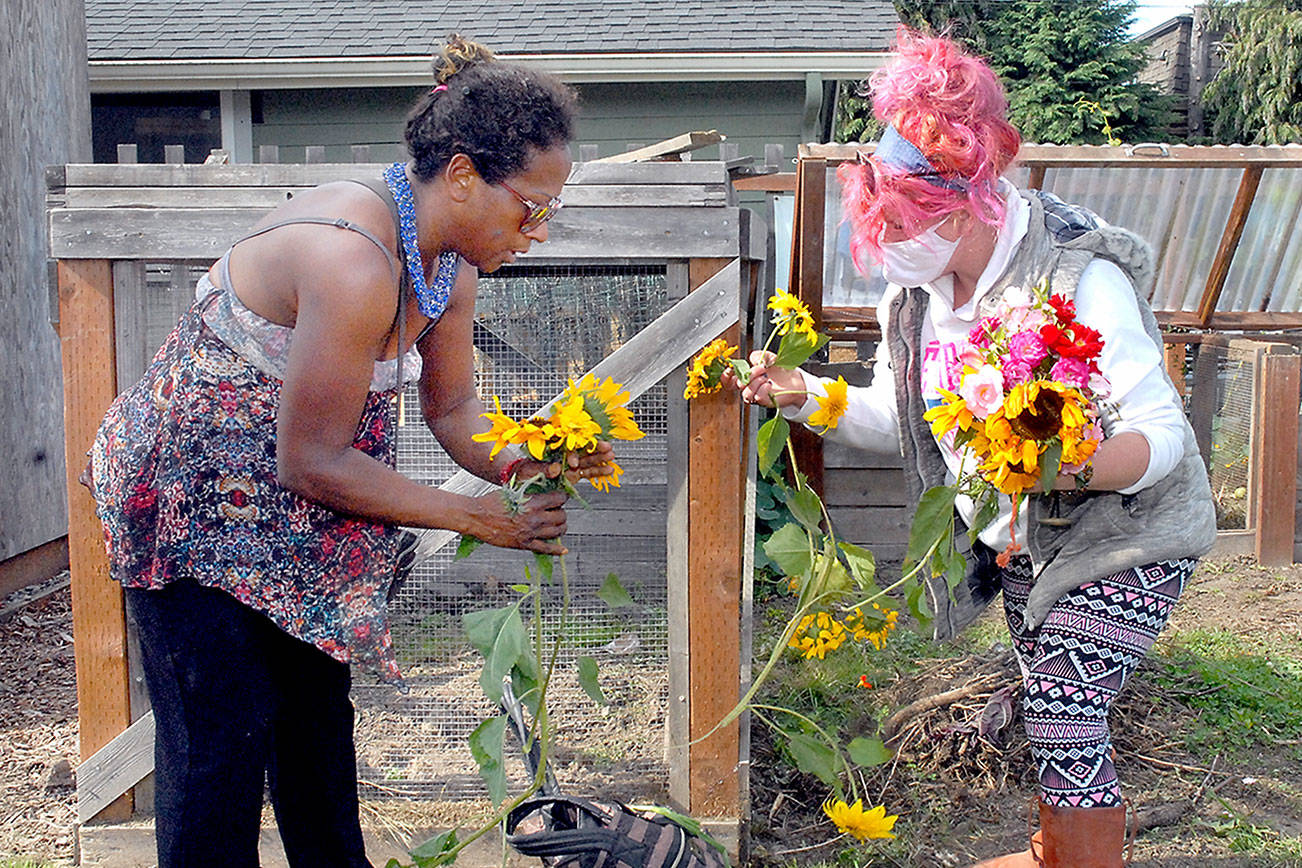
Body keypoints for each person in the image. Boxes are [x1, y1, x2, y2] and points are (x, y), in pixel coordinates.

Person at [87, 36, 613, 868]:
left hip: (291, 510)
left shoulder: (449, 266)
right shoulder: (352, 255)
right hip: (189, 502)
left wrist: (526, 461)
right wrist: (478, 517)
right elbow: (315, 458)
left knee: (314, 725)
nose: (540, 232)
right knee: (223, 742)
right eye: (534, 208)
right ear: (467, 175)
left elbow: (453, 407)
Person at [729, 29, 1216, 868]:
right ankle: (1061, 849)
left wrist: (1067, 465)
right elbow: (897, 418)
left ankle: (1072, 859)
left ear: (962, 203)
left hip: (1130, 535)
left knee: (1065, 701)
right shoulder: (912, 297)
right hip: (1019, 540)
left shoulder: (1074, 277)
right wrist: (802, 395)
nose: (890, 251)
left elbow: (1164, 435)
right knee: (1052, 707)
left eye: (902, 228)